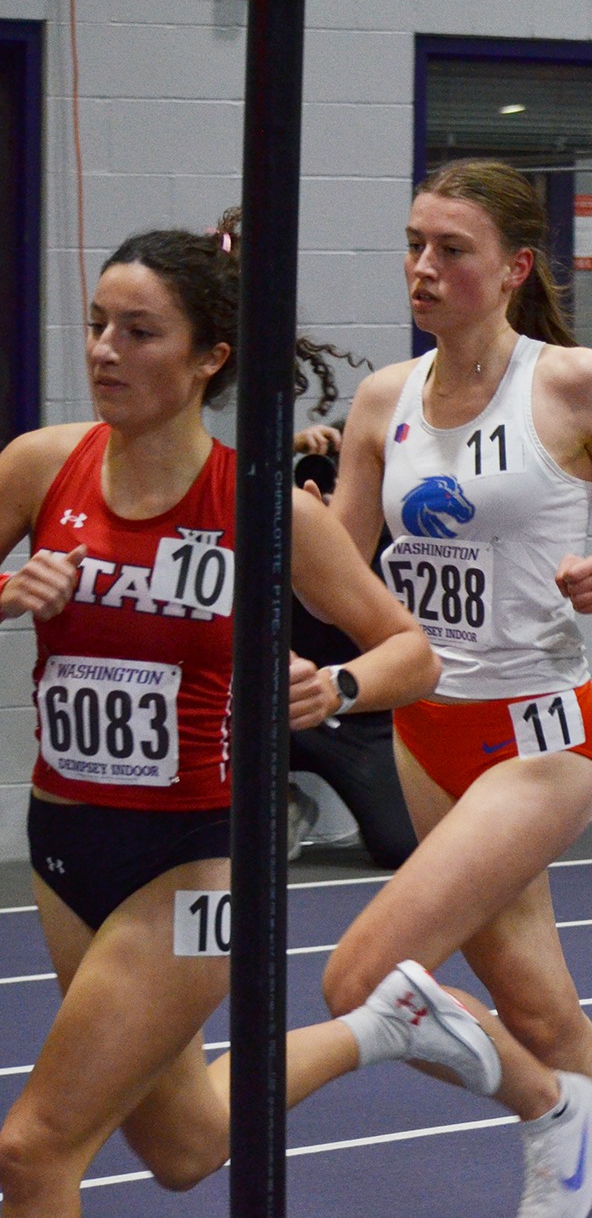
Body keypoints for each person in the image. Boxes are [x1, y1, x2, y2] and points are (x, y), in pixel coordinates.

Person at [0, 220, 489, 1215]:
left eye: (139, 331)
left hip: (196, 854)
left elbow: (411, 648)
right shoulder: (40, 467)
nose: (104, 350)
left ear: (209, 356)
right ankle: (382, 1025)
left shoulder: (264, 508)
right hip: (63, 840)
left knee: (34, 1148)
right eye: (97, 325)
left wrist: (336, 688)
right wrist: (7, 589)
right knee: (181, 1144)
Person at [324, 158, 592, 1218]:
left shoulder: (573, 382)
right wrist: (293, 508)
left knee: (360, 977)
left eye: (452, 249)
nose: (424, 267)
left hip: (537, 736)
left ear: (511, 268)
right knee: (540, 1011)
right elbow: (339, 576)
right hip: (424, 733)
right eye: (414, 244)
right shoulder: (380, 399)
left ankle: (552, 1112)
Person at [288, 440, 419, 869]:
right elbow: (207, 487)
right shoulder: (282, 526)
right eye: (329, 477)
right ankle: (275, 807)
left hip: (359, 721)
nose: (332, 492)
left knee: (402, 846)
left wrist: (332, 543)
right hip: (278, 712)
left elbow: (413, 652)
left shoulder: (401, 547)